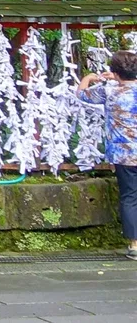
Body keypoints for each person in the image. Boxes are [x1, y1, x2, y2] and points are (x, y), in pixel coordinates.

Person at [78, 49, 137, 260]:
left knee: (130, 197)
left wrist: (88, 78)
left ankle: (134, 245)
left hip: (124, 155)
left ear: (115, 72)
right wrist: (120, 78)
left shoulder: (109, 92)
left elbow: (82, 94)